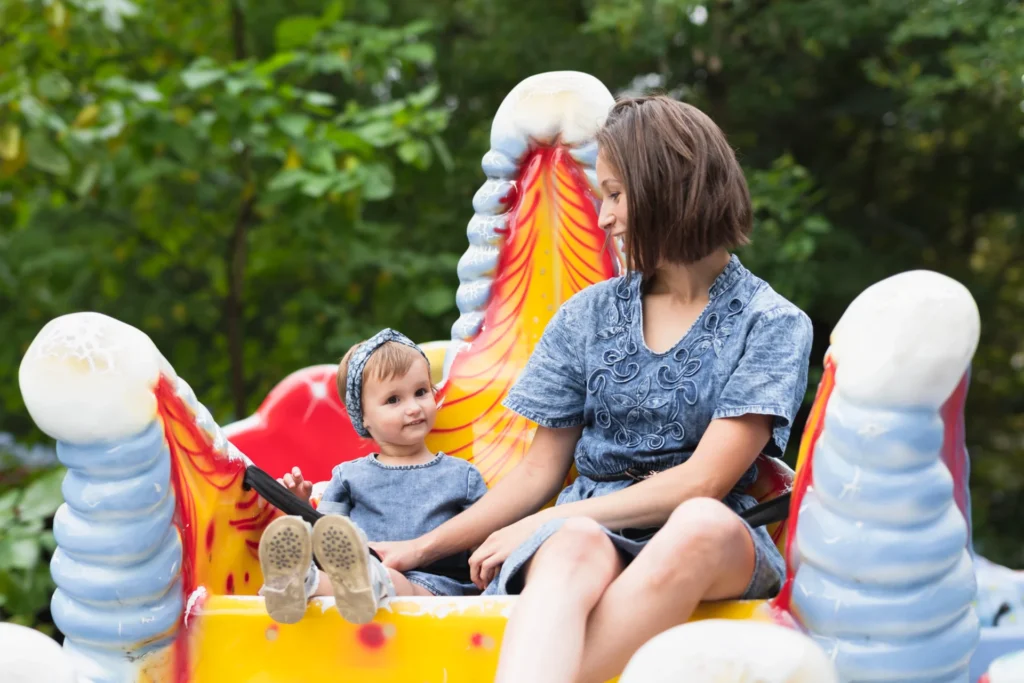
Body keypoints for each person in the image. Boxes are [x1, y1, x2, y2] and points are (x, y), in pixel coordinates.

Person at [372, 95, 814, 683]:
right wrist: (419, 549)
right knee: (576, 540)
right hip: (586, 538)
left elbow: (704, 481)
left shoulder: (772, 322)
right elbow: (538, 474)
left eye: (615, 194)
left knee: (699, 524)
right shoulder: (586, 316)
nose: (604, 217)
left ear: (668, 186)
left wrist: (541, 524)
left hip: (710, 535)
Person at [257, 328, 488, 625]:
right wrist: (301, 508)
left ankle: (310, 584)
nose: (414, 407)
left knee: (382, 579)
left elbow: (483, 541)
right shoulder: (349, 477)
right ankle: (295, 583)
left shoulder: (462, 476)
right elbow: (327, 541)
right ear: (363, 416)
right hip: (358, 582)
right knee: (347, 579)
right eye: (394, 400)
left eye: (421, 392)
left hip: (433, 590)